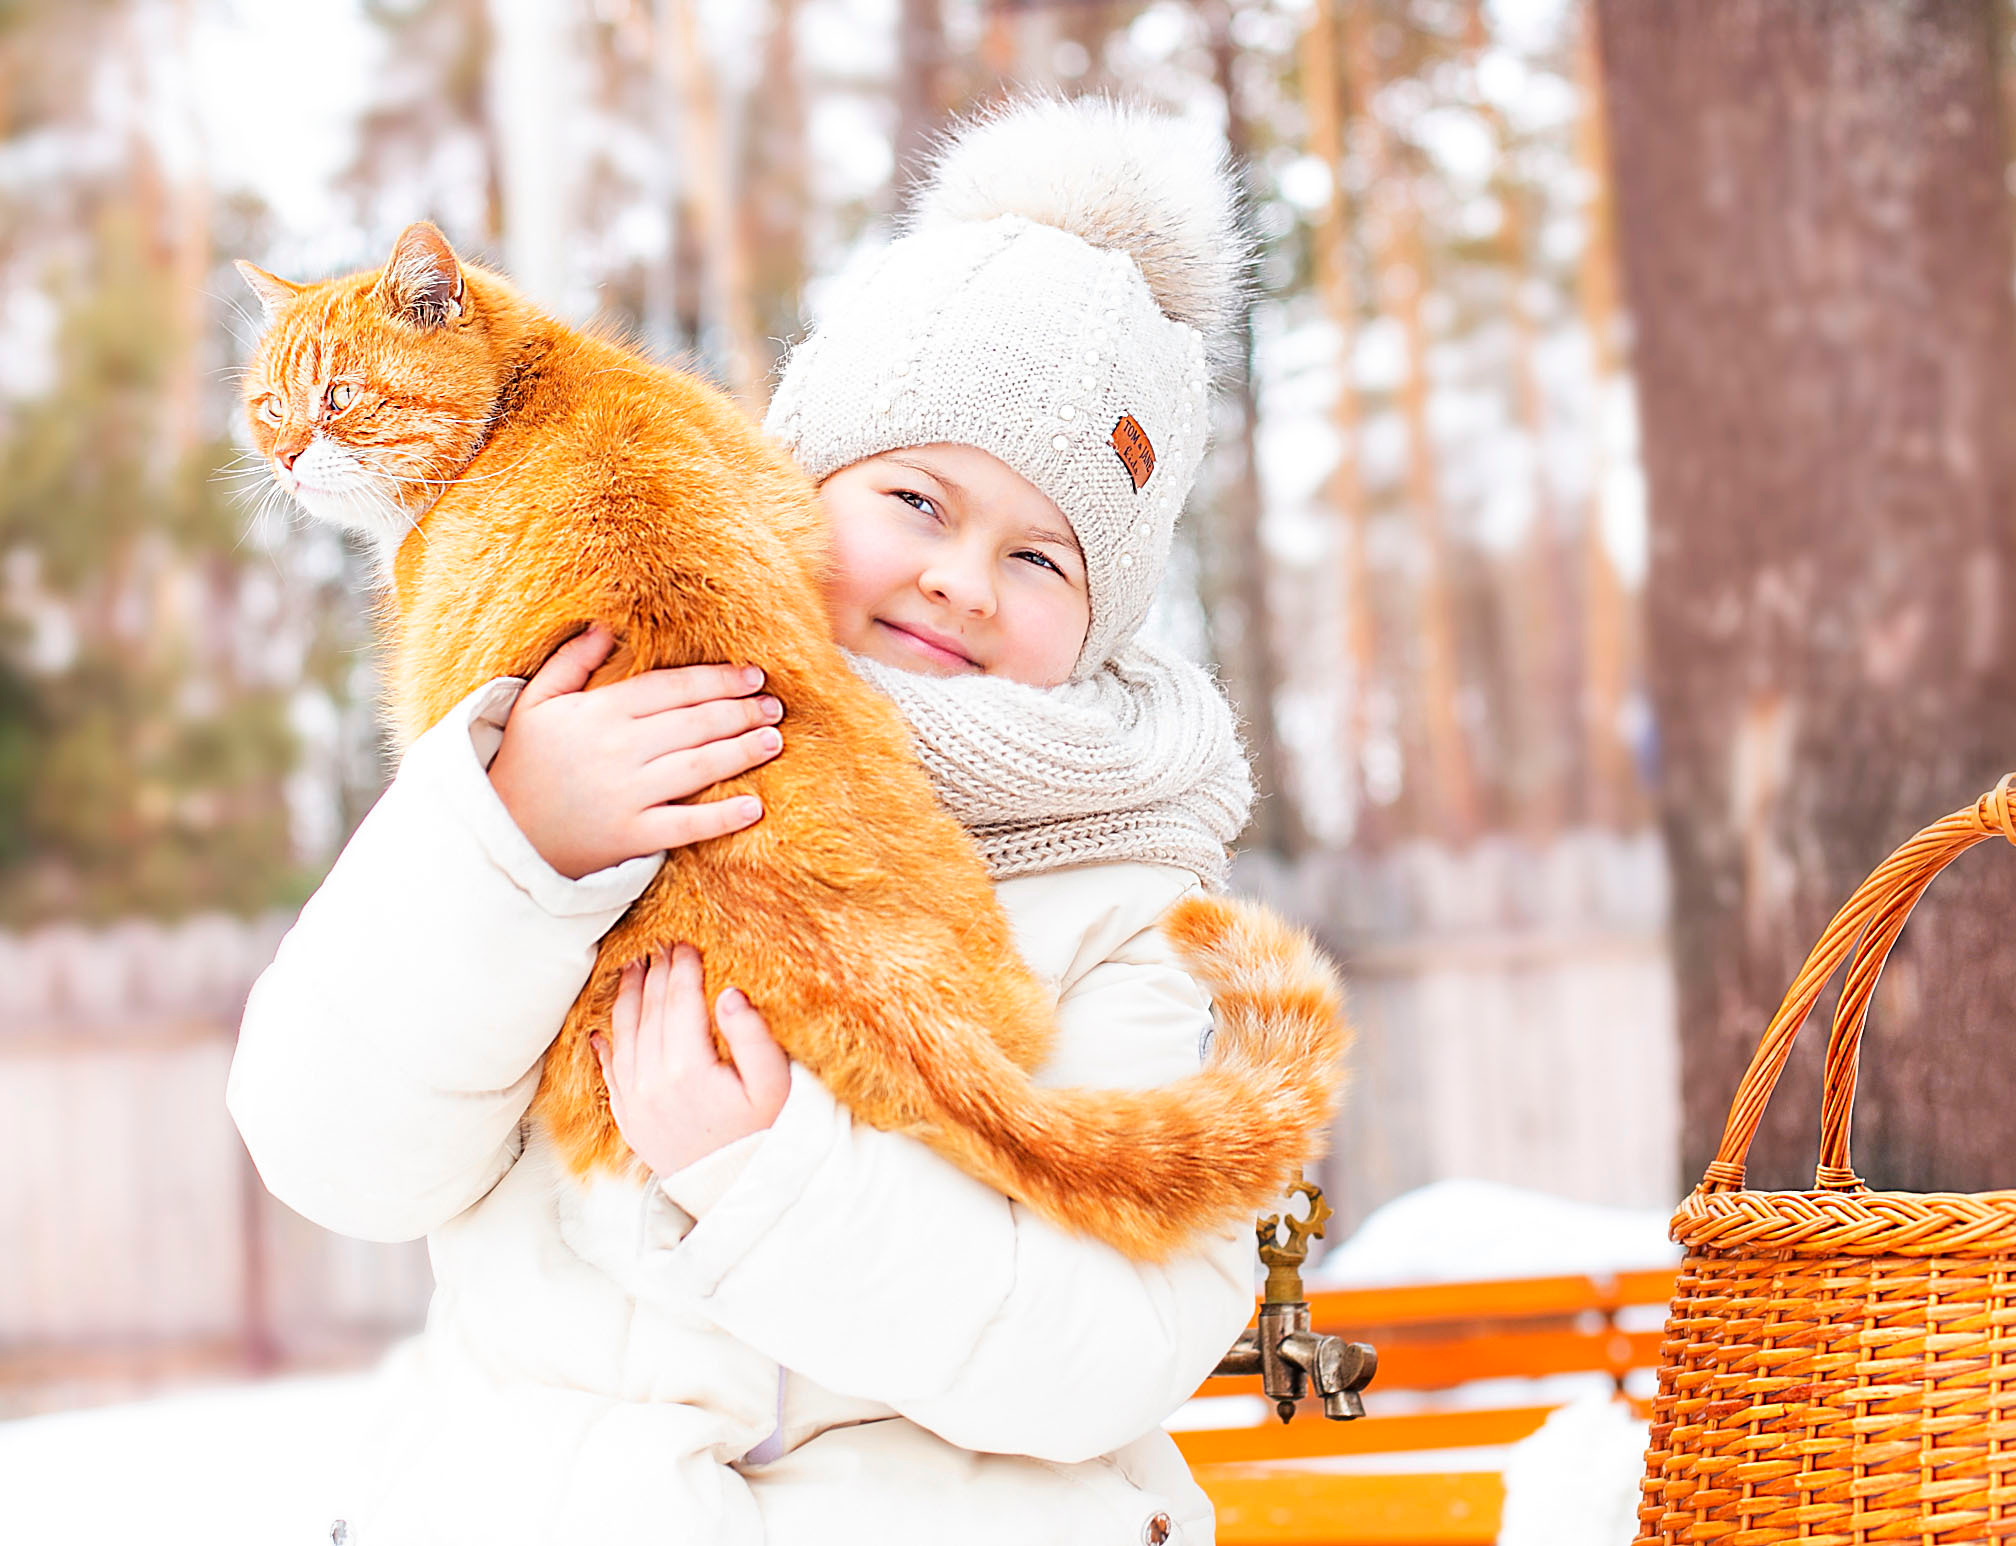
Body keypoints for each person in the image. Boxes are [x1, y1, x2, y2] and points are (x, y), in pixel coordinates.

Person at [227, 96, 1331, 1546]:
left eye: (1041, 555)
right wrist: (515, 847)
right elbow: (339, 1153)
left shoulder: (1123, 898)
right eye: (917, 497)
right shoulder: (577, 735)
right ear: (792, 478)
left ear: (1108, 615)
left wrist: (774, 1180)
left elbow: (1108, 1347)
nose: (959, 580)